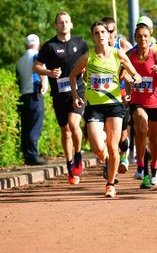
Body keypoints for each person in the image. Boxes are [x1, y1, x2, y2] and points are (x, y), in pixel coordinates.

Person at [70, 21, 141, 198]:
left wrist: (134, 81)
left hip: (115, 106)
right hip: (94, 107)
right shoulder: (87, 56)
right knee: (98, 147)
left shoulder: (118, 54)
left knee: (112, 146)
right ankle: (107, 160)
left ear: (108, 35)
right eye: (96, 32)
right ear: (93, 37)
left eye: (103, 31)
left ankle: (110, 184)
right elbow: (72, 75)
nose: (101, 35)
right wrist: (75, 96)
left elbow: (136, 74)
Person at [34, 12, 89, 185]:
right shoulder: (49, 46)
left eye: (66, 22)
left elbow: (88, 62)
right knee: (65, 131)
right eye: (60, 22)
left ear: (71, 24)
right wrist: (49, 72)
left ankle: (78, 155)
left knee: (74, 124)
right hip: (59, 94)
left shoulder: (80, 43)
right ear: (56, 26)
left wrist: (86, 74)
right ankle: (69, 165)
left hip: (78, 91)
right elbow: (35, 66)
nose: (64, 25)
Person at [127, 16, 157, 188]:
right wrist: (126, 90)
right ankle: (141, 164)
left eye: (145, 36)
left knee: (155, 139)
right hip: (138, 101)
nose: (143, 39)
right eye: (139, 36)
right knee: (141, 125)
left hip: (155, 101)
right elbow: (121, 74)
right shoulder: (130, 55)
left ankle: (154, 164)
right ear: (135, 38)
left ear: (150, 36)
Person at [102, 17, 134, 174]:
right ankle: (108, 161)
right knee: (107, 131)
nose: (108, 34)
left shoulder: (122, 45)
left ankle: (123, 156)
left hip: (121, 91)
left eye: (111, 31)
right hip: (103, 94)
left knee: (121, 132)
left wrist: (127, 81)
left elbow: (133, 64)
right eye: (105, 31)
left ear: (115, 31)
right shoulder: (97, 49)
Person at [16, 34, 48, 166]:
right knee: (35, 126)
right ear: (38, 44)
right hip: (35, 94)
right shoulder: (36, 55)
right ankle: (33, 156)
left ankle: (27, 155)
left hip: (23, 95)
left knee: (26, 127)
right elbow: (39, 69)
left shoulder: (20, 60)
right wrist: (44, 83)